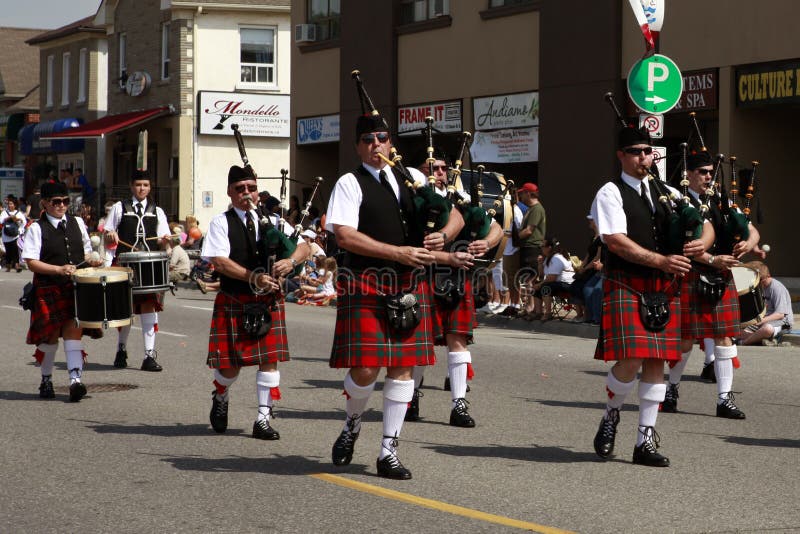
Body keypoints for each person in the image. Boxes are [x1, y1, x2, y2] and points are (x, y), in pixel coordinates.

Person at [325, 110, 453, 480]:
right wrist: (397, 253)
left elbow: (456, 214)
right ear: (357, 147)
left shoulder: (413, 178)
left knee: (402, 368)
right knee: (366, 368)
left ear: (390, 143)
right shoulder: (349, 183)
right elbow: (344, 235)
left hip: (410, 282)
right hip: (367, 280)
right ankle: (352, 422)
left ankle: (389, 451)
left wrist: (442, 235)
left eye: (381, 139)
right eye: (367, 140)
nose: (375, 145)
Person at [590, 126, 702, 467]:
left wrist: (702, 242)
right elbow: (615, 241)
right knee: (632, 359)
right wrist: (660, 261)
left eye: (647, 151)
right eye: (635, 152)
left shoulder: (669, 192)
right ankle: (611, 413)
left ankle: (645, 440)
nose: (643, 158)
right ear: (621, 156)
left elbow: (704, 221)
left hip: (665, 286)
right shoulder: (610, 192)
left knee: (657, 361)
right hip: (628, 282)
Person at [203, 164, 309, 440]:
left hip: (267, 301)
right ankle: (221, 393)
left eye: (251, 188)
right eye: (240, 189)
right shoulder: (221, 222)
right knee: (230, 368)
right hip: (235, 298)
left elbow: (305, 246)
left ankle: (263, 418)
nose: (246, 193)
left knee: (269, 360)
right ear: (230, 192)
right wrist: (254, 277)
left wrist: (291, 261)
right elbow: (219, 261)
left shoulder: (273, 220)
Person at [407, 153, 501, 426]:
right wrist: (447, 257)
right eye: (432, 168)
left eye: (443, 168)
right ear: (420, 172)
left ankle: (458, 405)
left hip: (457, 277)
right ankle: (411, 397)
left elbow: (495, 227)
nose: (440, 172)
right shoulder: (413, 202)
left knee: (458, 340)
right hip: (424, 276)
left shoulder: (460, 199)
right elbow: (414, 248)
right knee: (422, 341)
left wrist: (486, 242)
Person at [662, 151, 757, 418]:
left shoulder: (723, 201)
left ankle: (724, 399)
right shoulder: (678, 201)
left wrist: (746, 243)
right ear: (688, 174)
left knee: (724, 337)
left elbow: (753, 231)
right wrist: (713, 259)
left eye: (711, 172)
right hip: (691, 274)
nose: (708, 177)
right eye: (703, 172)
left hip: (721, 276)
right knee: (685, 339)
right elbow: (685, 246)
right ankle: (671, 389)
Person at [21, 181, 104, 401]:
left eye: (65, 201)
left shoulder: (77, 222)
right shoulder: (36, 228)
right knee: (49, 338)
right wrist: (58, 269)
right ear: (44, 203)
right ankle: (46, 379)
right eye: (56, 201)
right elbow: (31, 261)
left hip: (75, 287)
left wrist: (92, 261)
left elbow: (85, 253)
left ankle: (75, 381)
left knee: (73, 330)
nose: (62, 205)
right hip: (49, 288)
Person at [103, 171, 172, 371]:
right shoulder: (119, 207)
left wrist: (166, 241)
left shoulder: (157, 211)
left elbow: (164, 240)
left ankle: (149, 355)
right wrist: (111, 235)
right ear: (131, 186)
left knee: (149, 307)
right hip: (125, 263)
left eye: (146, 185)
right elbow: (107, 233)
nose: (142, 188)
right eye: (138, 185)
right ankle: (121, 349)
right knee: (126, 308)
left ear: (150, 187)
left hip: (149, 265)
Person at [740, 262, 793, 345]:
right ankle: (759, 339)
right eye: (757, 280)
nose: (759, 282)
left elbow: (780, 314)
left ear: (768, 275)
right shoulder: (761, 287)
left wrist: (761, 321)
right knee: (737, 330)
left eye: (761, 280)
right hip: (764, 322)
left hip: (781, 323)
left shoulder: (777, 288)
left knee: (767, 329)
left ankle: (744, 342)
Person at [528, 237, 575, 321]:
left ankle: (548, 313)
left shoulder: (557, 258)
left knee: (545, 287)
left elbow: (552, 278)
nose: (541, 248)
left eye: (542, 246)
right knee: (538, 285)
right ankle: (538, 312)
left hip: (568, 284)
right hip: (557, 283)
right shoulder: (548, 258)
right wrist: (540, 264)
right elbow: (542, 276)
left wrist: (540, 284)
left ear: (549, 248)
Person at [517, 182, 546, 277]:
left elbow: (529, 230)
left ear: (528, 194)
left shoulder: (536, 209)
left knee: (527, 279)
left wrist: (514, 237)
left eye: (522, 193)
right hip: (528, 249)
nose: (520, 196)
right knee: (525, 278)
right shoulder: (531, 208)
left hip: (531, 250)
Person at [1, 196, 26, 272]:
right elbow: (1, 221)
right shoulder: (4, 212)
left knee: (15, 250)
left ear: (15, 205)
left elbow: (24, 222)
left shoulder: (19, 213)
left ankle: (17, 265)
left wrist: (18, 219)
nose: (10, 205)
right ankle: (8, 266)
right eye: (9, 204)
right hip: (6, 235)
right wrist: (8, 218)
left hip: (15, 235)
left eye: (11, 204)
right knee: (8, 250)